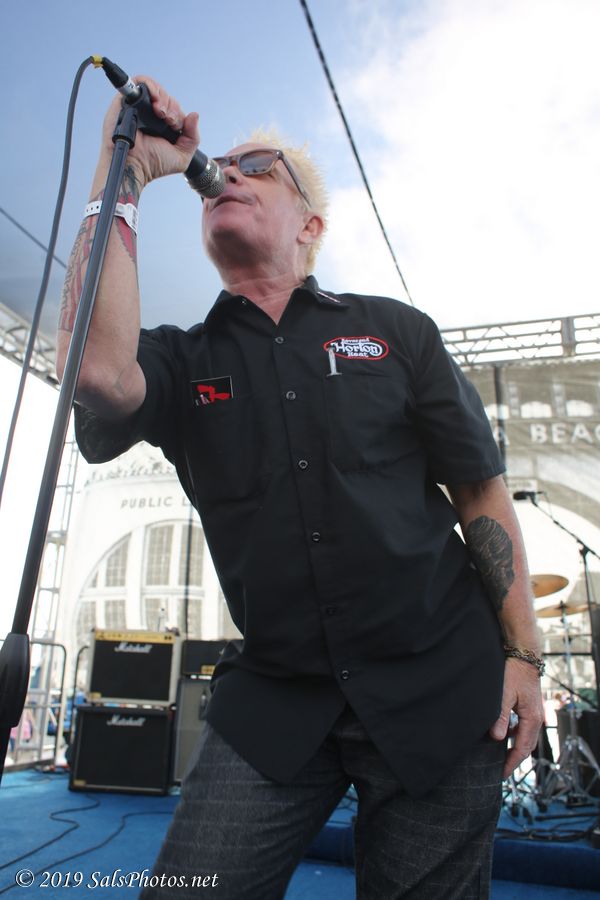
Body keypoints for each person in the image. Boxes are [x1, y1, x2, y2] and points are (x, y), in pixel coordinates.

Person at [58, 76, 545, 899]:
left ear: (309, 225)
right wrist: (126, 172)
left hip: (440, 682)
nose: (228, 173)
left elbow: (480, 496)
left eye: (258, 167)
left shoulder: (395, 331)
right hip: (277, 697)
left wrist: (524, 656)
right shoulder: (181, 356)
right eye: (223, 168)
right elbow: (98, 373)